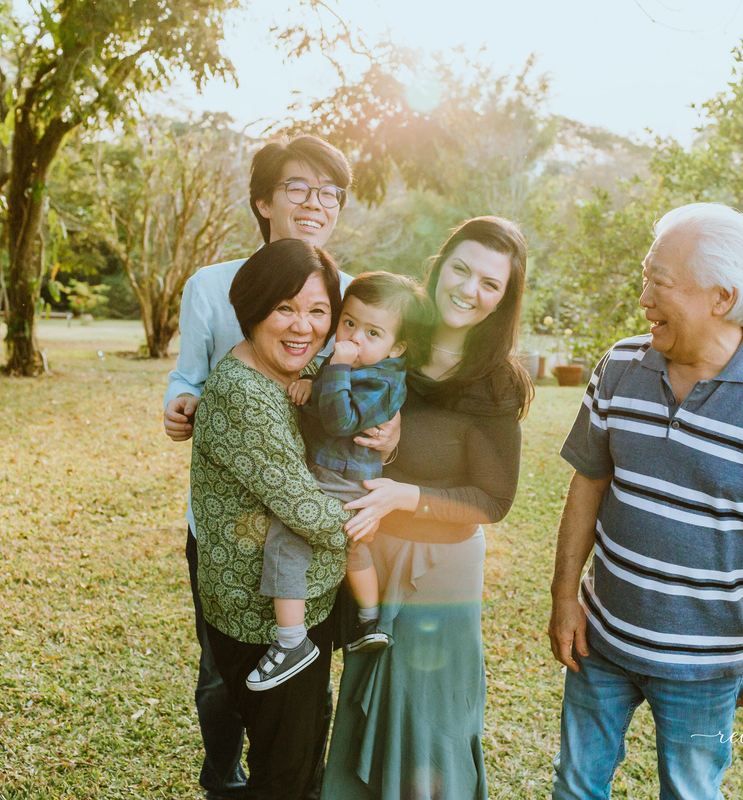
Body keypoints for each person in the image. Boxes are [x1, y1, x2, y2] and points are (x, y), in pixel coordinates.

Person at [546, 203, 743, 800]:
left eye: (659, 283)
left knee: (689, 792)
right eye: (645, 279)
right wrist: (564, 596)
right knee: (575, 785)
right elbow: (587, 483)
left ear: (720, 297)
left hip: (707, 666)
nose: (644, 300)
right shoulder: (618, 367)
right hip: (601, 638)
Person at [162, 134, 385, 800]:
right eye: (299, 187)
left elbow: (365, 373)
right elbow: (194, 375)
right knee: (233, 687)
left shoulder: (343, 290)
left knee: (300, 716)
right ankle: (224, 775)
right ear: (263, 199)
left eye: (330, 192)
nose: (305, 325)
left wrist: (389, 423)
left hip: (308, 538)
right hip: (244, 533)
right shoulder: (216, 289)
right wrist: (182, 404)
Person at [321, 217, 535, 800]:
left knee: (429, 712)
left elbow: (493, 501)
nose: (469, 289)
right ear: (439, 268)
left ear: (504, 299)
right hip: (371, 553)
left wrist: (405, 494)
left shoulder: (498, 382)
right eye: (461, 269)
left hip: (441, 568)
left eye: (490, 284)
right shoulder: (388, 345)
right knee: (370, 703)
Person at [248, 271, 433, 691]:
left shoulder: (382, 380)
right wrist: (314, 384)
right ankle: (369, 621)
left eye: (372, 332)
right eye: (348, 323)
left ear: (397, 346)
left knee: (286, 539)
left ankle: (291, 641)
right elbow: (334, 400)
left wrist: (334, 369)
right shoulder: (361, 369)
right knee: (355, 551)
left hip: (342, 480)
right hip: (347, 477)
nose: (353, 337)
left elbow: (340, 418)